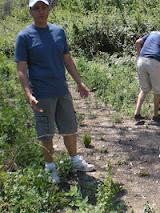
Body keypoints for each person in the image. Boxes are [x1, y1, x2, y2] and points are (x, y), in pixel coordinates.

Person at [14, 0, 95, 183]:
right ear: (30, 11)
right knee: (46, 133)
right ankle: (50, 168)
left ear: (49, 9)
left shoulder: (58, 32)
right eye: (36, 8)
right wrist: (28, 93)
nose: (41, 12)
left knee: (69, 127)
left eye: (44, 7)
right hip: (41, 92)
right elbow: (21, 69)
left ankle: (75, 160)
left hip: (62, 89)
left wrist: (79, 82)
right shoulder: (24, 36)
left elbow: (67, 59)